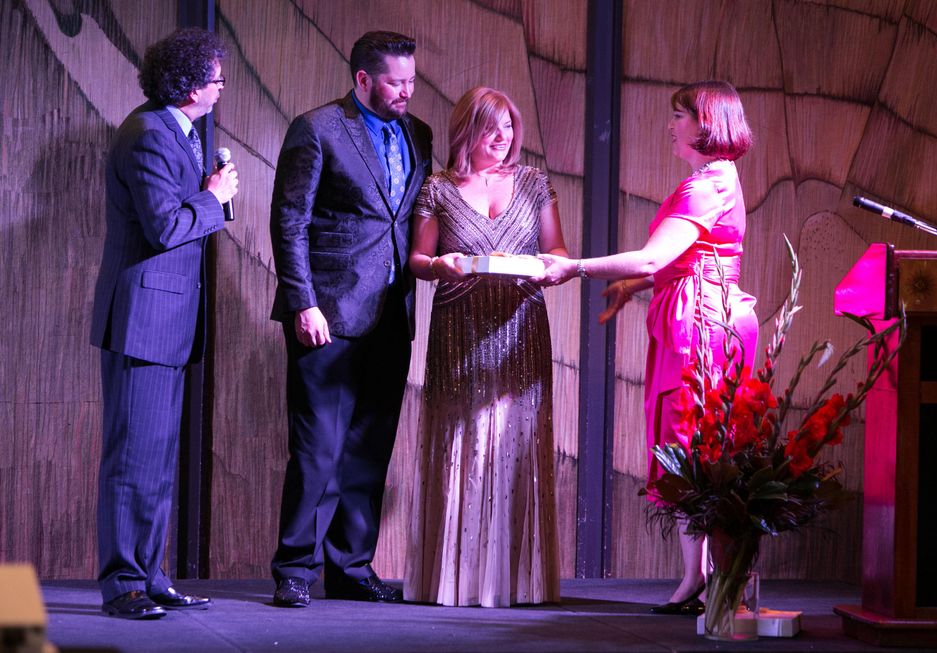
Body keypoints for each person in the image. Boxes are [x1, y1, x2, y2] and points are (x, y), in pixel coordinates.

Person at [535, 80, 758, 616]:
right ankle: (699, 578)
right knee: (695, 444)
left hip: (702, 325)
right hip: (701, 315)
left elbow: (655, 258)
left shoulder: (707, 186)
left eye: (679, 115)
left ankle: (712, 580)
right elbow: (679, 259)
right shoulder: (715, 179)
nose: (670, 125)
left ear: (706, 122)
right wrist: (631, 286)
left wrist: (575, 267)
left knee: (694, 445)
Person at [268, 31, 433, 608]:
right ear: (363, 79)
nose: (407, 92)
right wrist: (301, 301)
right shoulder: (317, 129)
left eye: (412, 81)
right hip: (328, 312)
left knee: (369, 446)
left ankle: (351, 565)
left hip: (393, 313)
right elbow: (289, 221)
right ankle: (295, 567)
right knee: (317, 448)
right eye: (396, 82)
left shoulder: (420, 134)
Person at [90, 28, 238, 619]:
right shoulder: (149, 135)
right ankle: (122, 584)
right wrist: (213, 195)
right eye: (217, 79)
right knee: (132, 459)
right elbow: (165, 227)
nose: (222, 88)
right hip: (145, 321)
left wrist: (209, 197)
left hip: (168, 321)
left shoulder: (181, 132)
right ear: (189, 84)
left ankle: (150, 575)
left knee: (157, 458)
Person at [402, 87, 567, 608]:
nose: (504, 139)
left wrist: (549, 267)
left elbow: (557, 250)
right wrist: (438, 266)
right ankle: (455, 580)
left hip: (521, 326)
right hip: (461, 328)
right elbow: (417, 260)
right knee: (463, 445)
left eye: (511, 128)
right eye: (492, 128)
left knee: (515, 444)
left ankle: (515, 583)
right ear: (467, 132)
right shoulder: (439, 188)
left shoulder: (535, 183)